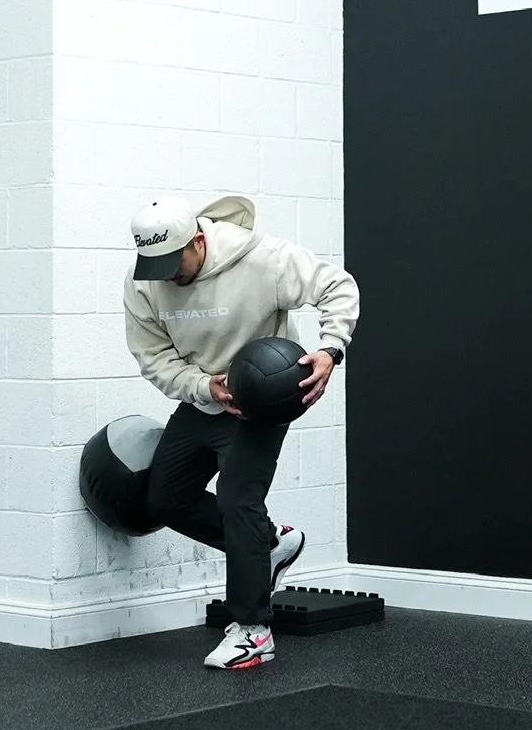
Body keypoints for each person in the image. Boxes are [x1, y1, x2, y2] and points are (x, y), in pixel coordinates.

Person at [125, 195, 361, 669]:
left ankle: (254, 630)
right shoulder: (146, 283)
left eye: (176, 262)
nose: (168, 274)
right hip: (207, 395)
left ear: (198, 239)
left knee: (237, 501)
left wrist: (330, 349)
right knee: (164, 499)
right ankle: (269, 545)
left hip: (260, 402)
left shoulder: (260, 259)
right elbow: (154, 357)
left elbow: (337, 285)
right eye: (158, 266)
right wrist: (203, 387)